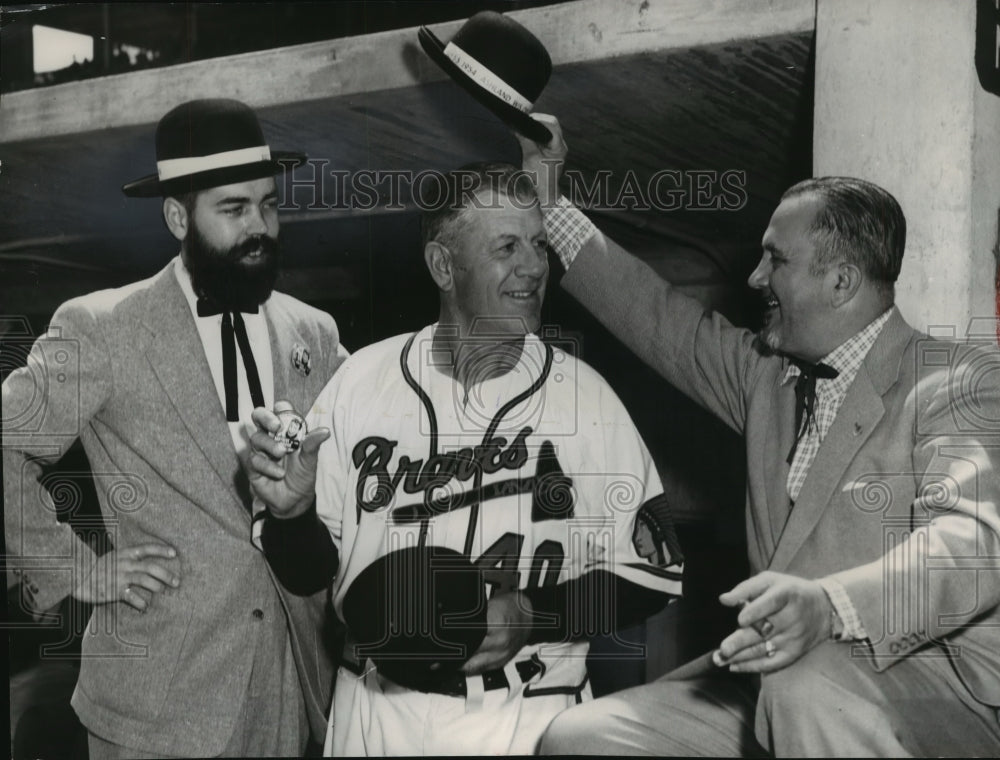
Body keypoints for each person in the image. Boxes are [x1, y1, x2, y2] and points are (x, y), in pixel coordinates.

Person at [513, 114, 1000, 756]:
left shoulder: (954, 380)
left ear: (841, 280)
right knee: (583, 738)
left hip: (927, 688)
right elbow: (655, 314)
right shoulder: (763, 378)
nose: (755, 278)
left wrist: (829, 605)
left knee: (807, 683)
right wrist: (548, 201)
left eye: (776, 259)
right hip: (774, 672)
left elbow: (974, 542)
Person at [246, 162, 684, 755]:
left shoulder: (585, 397)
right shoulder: (360, 383)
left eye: (539, 244)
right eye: (507, 246)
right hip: (375, 716)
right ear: (443, 266)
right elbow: (306, 575)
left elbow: (651, 578)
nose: (534, 266)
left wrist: (535, 616)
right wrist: (293, 514)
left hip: (525, 718)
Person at [3, 98, 349, 758]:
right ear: (175, 216)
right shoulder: (100, 327)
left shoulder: (314, 332)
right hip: (158, 700)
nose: (261, 227)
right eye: (234, 208)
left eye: (268, 204)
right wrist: (79, 570)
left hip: (296, 684)